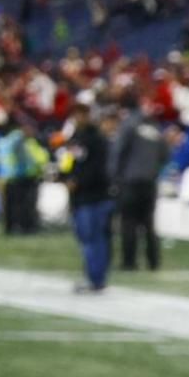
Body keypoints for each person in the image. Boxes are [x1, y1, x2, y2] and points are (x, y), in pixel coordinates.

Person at [62, 103, 116, 293]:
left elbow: (97, 169)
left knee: (94, 238)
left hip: (94, 196)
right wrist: (67, 178)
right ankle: (92, 276)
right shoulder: (77, 138)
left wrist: (77, 181)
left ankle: (96, 278)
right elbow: (70, 163)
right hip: (82, 197)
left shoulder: (96, 140)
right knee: (87, 239)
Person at [113, 121, 169, 272]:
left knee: (129, 223)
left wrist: (117, 177)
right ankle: (153, 261)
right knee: (148, 223)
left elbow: (119, 152)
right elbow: (165, 154)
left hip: (131, 182)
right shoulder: (156, 130)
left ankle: (129, 262)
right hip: (149, 182)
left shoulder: (129, 127)